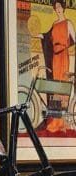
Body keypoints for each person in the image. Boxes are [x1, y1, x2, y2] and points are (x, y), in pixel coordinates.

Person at [38, 0, 75, 132]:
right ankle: (54, 120)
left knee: (62, 87)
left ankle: (62, 122)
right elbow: (48, 37)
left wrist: (63, 46)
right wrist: (39, 35)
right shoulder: (54, 24)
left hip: (63, 57)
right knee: (55, 87)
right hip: (55, 58)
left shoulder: (68, 23)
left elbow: (74, 39)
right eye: (56, 7)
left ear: (63, 8)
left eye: (60, 6)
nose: (58, 8)